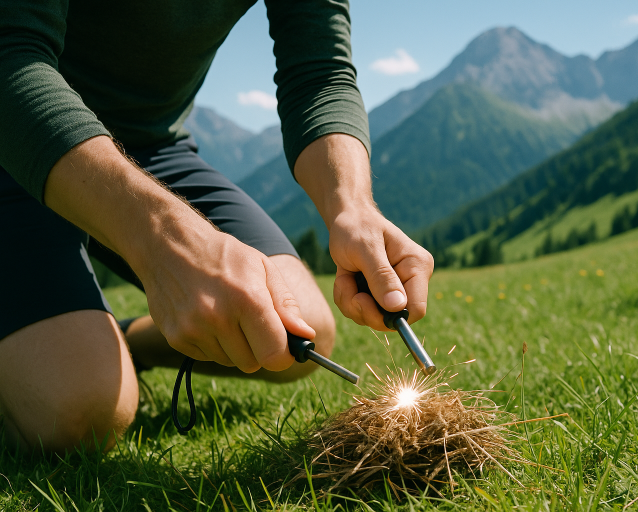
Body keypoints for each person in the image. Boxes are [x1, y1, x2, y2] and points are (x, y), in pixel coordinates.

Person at [0, 0, 433, 454]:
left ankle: (132, 343)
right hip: (13, 132)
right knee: (76, 415)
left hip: (151, 148)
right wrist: (163, 235)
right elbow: (10, 52)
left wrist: (352, 206)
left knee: (297, 329)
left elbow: (320, 73)